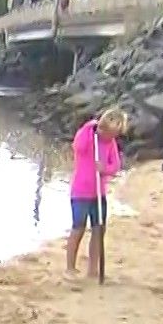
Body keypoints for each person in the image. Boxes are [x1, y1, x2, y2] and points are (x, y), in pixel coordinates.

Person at [67, 107, 127, 278]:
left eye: (114, 135)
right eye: (108, 133)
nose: (110, 137)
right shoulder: (88, 137)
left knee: (99, 229)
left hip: (99, 193)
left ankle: (93, 269)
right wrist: (90, 127)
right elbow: (77, 146)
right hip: (80, 192)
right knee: (78, 228)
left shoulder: (110, 143)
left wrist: (104, 169)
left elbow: (115, 166)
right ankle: (70, 268)